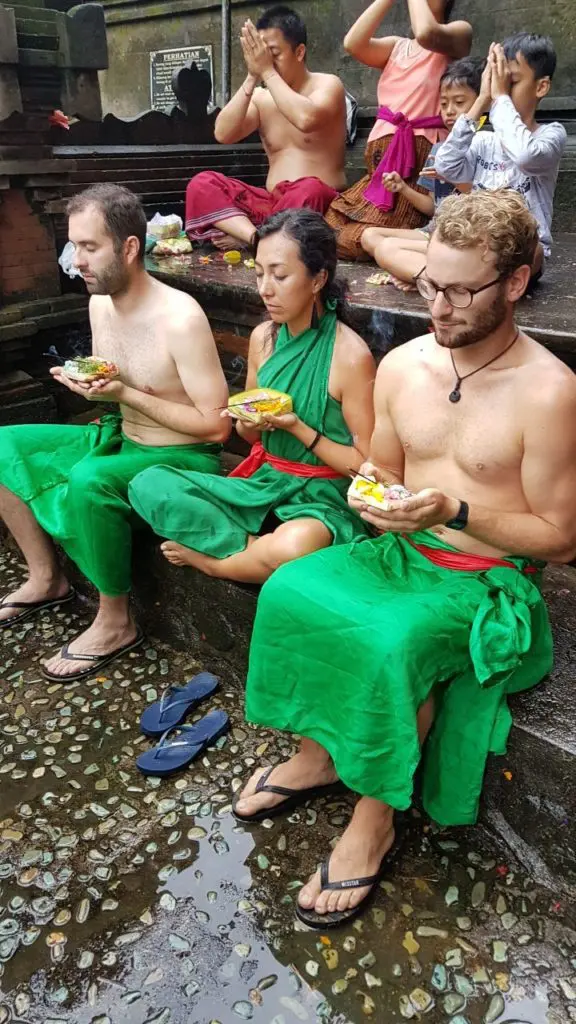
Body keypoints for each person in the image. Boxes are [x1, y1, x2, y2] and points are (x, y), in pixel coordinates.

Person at [233, 190, 576, 929]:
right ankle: (320, 751)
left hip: (485, 578)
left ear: (514, 284)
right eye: (430, 286)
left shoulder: (550, 391)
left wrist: (453, 509)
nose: (440, 308)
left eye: (460, 290)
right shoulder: (403, 365)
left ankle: (375, 816)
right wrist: (374, 499)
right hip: (401, 548)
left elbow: (560, 536)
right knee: (291, 588)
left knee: (393, 641)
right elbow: (378, 472)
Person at [0, 184, 229, 682]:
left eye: (88, 247)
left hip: (179, 458)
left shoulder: (181, 318)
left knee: (89, 482)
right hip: (121, 434)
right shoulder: (100, 302)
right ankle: (46, 578)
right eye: (73, 246)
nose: (75, 260)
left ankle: (116, 619)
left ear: (129, 248)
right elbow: (113, 379)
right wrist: (94, 386)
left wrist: (123, 394)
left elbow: (217, 427)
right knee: (3, 446)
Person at [129, 210, 376, 584]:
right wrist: (247, 424)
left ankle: (217, 561)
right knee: (149, 484)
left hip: (325, 498)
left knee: (296, 545)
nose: (265, 288)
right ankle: (254, 550)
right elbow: (251, 438)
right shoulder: (264, 338)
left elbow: (365, 466)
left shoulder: (351, 356)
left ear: (318, 279)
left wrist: (296, 428)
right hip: (267, 482)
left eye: (279, 275)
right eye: (259, 273)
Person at [184, 5, 347, 250]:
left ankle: (257, 238)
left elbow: (305, 119)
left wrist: (267, 71)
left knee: (309, 187)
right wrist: (252, 75)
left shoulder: (328, 85)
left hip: (317, 204)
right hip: (271, 205)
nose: (265, 62)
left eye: (273, 54)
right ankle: (257, 239)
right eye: (259, 55)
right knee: (202, 183)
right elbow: (223, 134)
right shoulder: (261, 97)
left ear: (299, 52)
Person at [324, 0, 472, 261]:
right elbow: (352, 44)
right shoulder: (397, 46)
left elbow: (427, 33)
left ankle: (405, 244)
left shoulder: (458, 32)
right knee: (328, 227)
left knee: (351, 239)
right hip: (380, 171)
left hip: (415, 169)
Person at [435, 33, 567, 279]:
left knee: (534, 251)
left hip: (520, 253)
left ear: (541, 87)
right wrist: (482, 99)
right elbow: (446, 167)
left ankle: (443, 277)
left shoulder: (552, 135)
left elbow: (525, 156)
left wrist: (500, 99)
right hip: (474, 245)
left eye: (511, 82)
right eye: (497, 82)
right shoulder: (485, 140)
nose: (500, 90)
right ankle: (459, 279)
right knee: (380, 242)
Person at [360, 56, 483, 287]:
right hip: (433, 231)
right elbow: (432, 207)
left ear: (481, 103)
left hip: (466, 236)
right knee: (369, 237)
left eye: (459, 102)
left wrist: (455, 177)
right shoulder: (439, 149)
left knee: (389, 249)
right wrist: (403, 188)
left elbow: (487, 203)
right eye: (444, 103)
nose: (449, 111)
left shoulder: (486, 145)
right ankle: (423, 270)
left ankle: (418, 273)